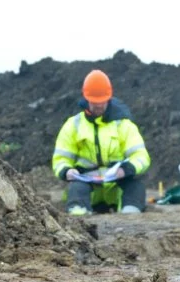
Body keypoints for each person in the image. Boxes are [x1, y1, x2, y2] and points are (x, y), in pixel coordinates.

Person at [51, 69, 151, 215]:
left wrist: (126, 169)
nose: (98, 106)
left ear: (109, 97)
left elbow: (141, 157)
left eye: (102, 102)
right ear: (86, 98)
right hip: (87, 185)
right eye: (94, 102)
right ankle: (80, 216)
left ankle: (129, 217)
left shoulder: (124, 124)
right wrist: (67, 171)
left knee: (136, 188)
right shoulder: (73, 125)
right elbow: (61, 159)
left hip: (117, 184)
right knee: (76, 190)